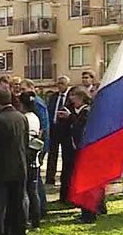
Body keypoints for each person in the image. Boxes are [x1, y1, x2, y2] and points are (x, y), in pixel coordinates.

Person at [0, 87, 28, 235]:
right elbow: (24, 142)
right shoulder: (21, 117)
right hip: (20, 165)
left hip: (2, 167)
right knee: (18, 203)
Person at [63, 86, 105, 223]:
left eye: (73, 96)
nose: (71, 99)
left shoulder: (86, 112)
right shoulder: (79, 112)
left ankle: (89, 213)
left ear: (81, 97)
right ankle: (93, 209)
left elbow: (81, 128)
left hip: (87, 152)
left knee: (88, 184)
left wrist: (71, 117)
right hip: (81, 151)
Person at [20, 78, 49, 214]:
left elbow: (44, 126)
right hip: (34, 145)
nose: (21, 91)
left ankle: (40, 208)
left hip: (35, 146)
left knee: (34, 182)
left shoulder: (37, 104)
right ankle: (37, 208)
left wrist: (39, 145)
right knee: (34, 181)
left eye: (23, 88)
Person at [19, 91, 42, 229]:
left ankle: (25, 220)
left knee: (24, 193)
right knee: (33, 192)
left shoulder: (24, 118)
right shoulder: (35, 118)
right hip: (35, 160)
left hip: (26, 159)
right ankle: (36, 221)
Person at [45, 76, 71, 195]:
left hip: (65, 130)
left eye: (61, 84)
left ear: (66, 85)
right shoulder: (53, 97)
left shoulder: (70, 98)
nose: (59, 86)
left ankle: (64, 178)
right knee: (52, 153)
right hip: (54, 128)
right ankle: (50, 177)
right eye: (58, 84)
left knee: (66, 154)